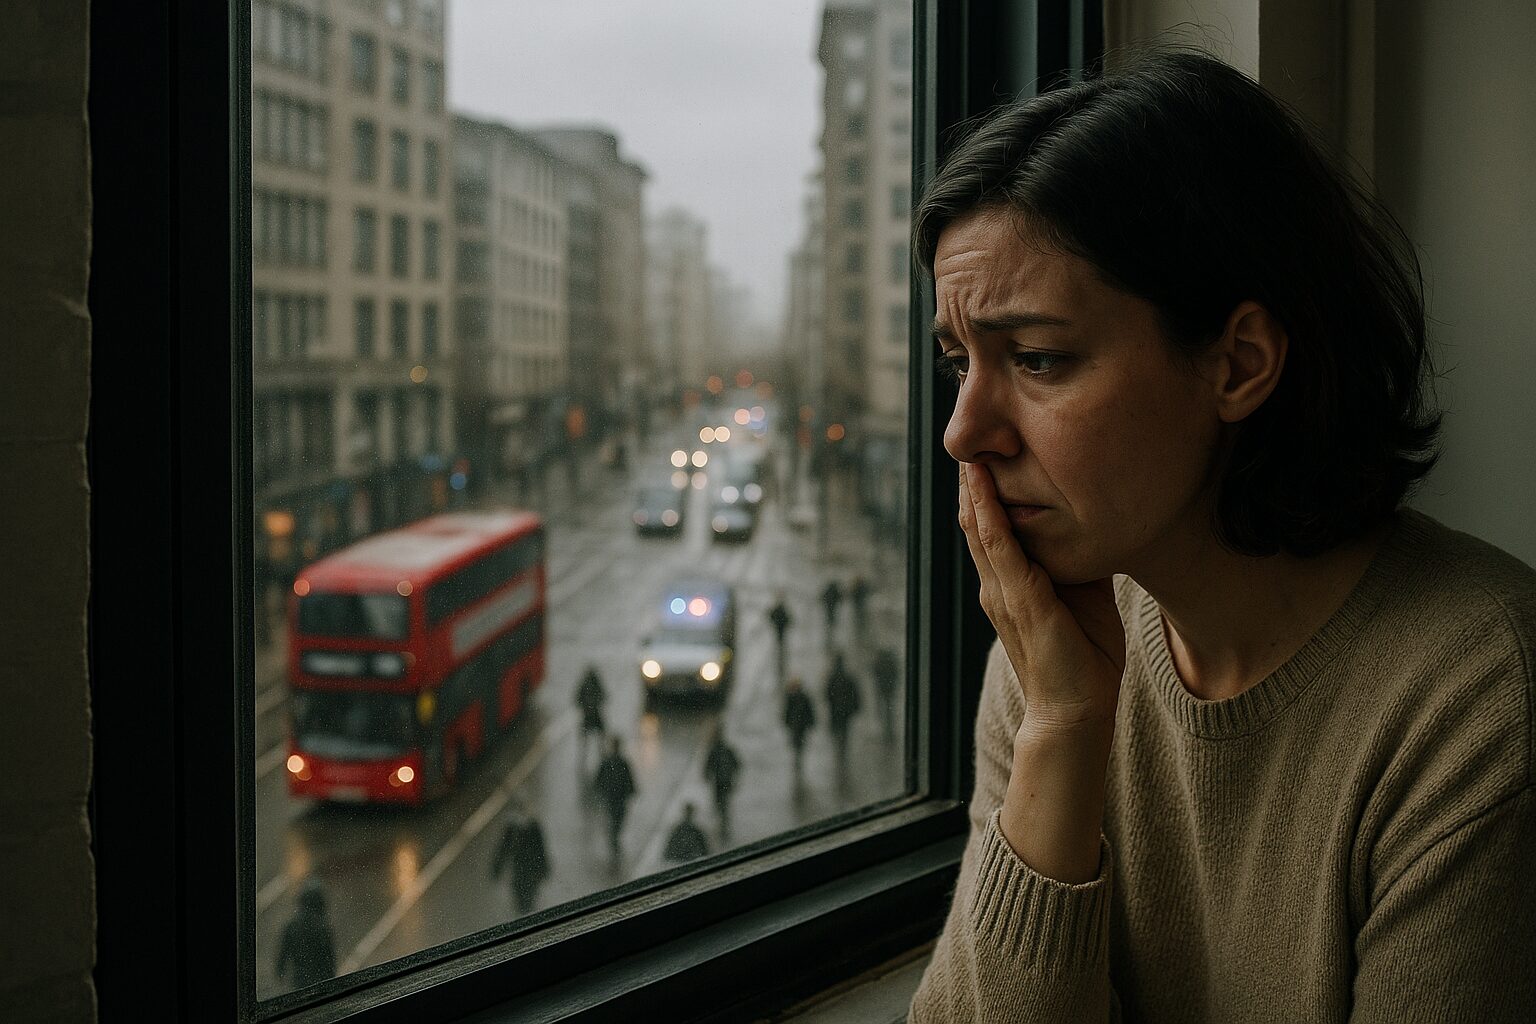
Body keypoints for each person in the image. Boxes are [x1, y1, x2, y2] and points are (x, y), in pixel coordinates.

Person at [906, 50, 1536, 1023]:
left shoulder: (1481, 702)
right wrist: (1062, 732)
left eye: (1037, 358)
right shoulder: (1056, 661)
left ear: (1238, 363)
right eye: (961, 364)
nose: (963, 432)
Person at [274, 877, 337, 991]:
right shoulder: (322, 928)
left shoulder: (292, 926)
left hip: (299, 980)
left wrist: (280, 973)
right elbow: (329, 959)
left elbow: (283, 954)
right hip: (320, 981)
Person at [490, 804, 550, 915]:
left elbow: (503, 849)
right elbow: (541, 849)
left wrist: (496, 868)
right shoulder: (529, 826)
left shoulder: (517, 827)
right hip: (526, 871)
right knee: (525, 899)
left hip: (524, 871)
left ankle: (525, 913)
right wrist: (544, 868)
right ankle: (526, 913)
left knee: (524, 898)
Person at [592, 735, 636, 870]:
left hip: (617, 798)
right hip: (614, 798)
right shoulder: (612, 762)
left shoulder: (619, 763)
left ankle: (614, 840)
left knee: (617, 821)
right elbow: (599, 779)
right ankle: (614, 842)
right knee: (615, 821)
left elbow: (628, 780)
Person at [824, 651, 862, 769]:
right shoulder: (848, 677)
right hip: (845, 711)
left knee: (837, 731)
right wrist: (855, 707)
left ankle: (839, 750)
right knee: (844, 732)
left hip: (836, 711)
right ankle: (842, 750)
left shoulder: (832, 678)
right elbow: (855, 694)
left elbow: (827, 694)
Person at [702, 729, 742, 833]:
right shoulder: (727, 750)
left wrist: (706, 775)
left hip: (719, 782)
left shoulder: (715, 751)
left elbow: (708, 765)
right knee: (724, 803)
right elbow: (737, 764)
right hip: (726, 781)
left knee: (719, 803)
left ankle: (722, 824)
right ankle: (724, 824)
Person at [781, 676, 816, 779]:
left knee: (798, 744)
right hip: (798, 726)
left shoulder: (797, 697)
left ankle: (798, 760)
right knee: (798, 744)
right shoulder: (794, 697)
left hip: (799, 726)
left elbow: (808, 712)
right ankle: (798, 761)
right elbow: (787, 713)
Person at [575, 665, 607, 774]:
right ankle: (601, 757)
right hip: (594, 715)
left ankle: (588, 757)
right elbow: (604, 696)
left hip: (589, 716)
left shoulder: (586, 685)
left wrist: (585, 706)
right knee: (598, 739)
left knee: (588, 740)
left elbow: (577, 699)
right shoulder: (595, 684)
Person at [871, 646, 900, 743]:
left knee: (883, 711)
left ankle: (886, 732)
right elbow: (895, 675)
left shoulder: (880, 662)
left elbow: (875, 674)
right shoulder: (889, 662)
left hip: (882, 689)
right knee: (888, 712)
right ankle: (888, 732)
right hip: (888, 690)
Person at [768, 593, 793, 683]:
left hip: (780, 631)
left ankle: (780, 670)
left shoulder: (780, 610)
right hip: (779, 632)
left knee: (780, 650)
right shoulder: (781, 610)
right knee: (780, 650)